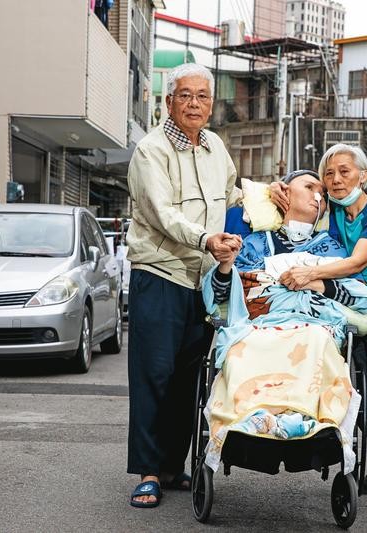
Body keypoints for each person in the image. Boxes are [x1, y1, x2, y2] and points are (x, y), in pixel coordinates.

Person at [272, 144, 367, 510]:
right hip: (349, 314)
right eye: (329, 174)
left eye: (345, 172)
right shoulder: (334, 211)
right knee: (365, 400)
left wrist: (312, 272)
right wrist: (277, 188)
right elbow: (300, 199)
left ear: (363, 176)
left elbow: (356, 262)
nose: (335, 180)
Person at [200, 170, 367, 472]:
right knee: (244, 345)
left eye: (321, 191)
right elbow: (220, 297)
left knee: (316, 342)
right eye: (308, 187)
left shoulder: (332, 248)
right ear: (284, 195)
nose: (317, 195)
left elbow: (358, 297)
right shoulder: (252, 243)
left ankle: (304, 418)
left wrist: (319, 284)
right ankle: (250, 416)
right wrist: (227, 266)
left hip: (314, 326)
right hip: (258, 325)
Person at [125, 63, 242, 509]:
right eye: (185, 95)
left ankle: (174, 466)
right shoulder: (150, 150)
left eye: (203, 96)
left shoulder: (215, 147)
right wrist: (205, 238)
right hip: (160, 274)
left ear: (211, 105)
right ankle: (149, 472)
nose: (195, 104)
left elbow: (231, 195)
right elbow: (159, 212)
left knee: (190, 380)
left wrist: (266, 196)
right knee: (153, 376)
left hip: (205, 280)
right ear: (168, 101)